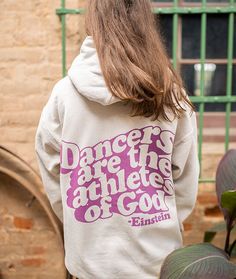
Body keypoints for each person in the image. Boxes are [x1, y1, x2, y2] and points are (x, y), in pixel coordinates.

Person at [35, 0, 199, 278]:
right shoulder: (172, 96)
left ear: (94, 21)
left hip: (89, 261)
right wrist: (164, 220)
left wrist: (80, 223)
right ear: (145, 22)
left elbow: (52, 169)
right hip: (157, 261)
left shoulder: (63, 96)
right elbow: (184, 182)